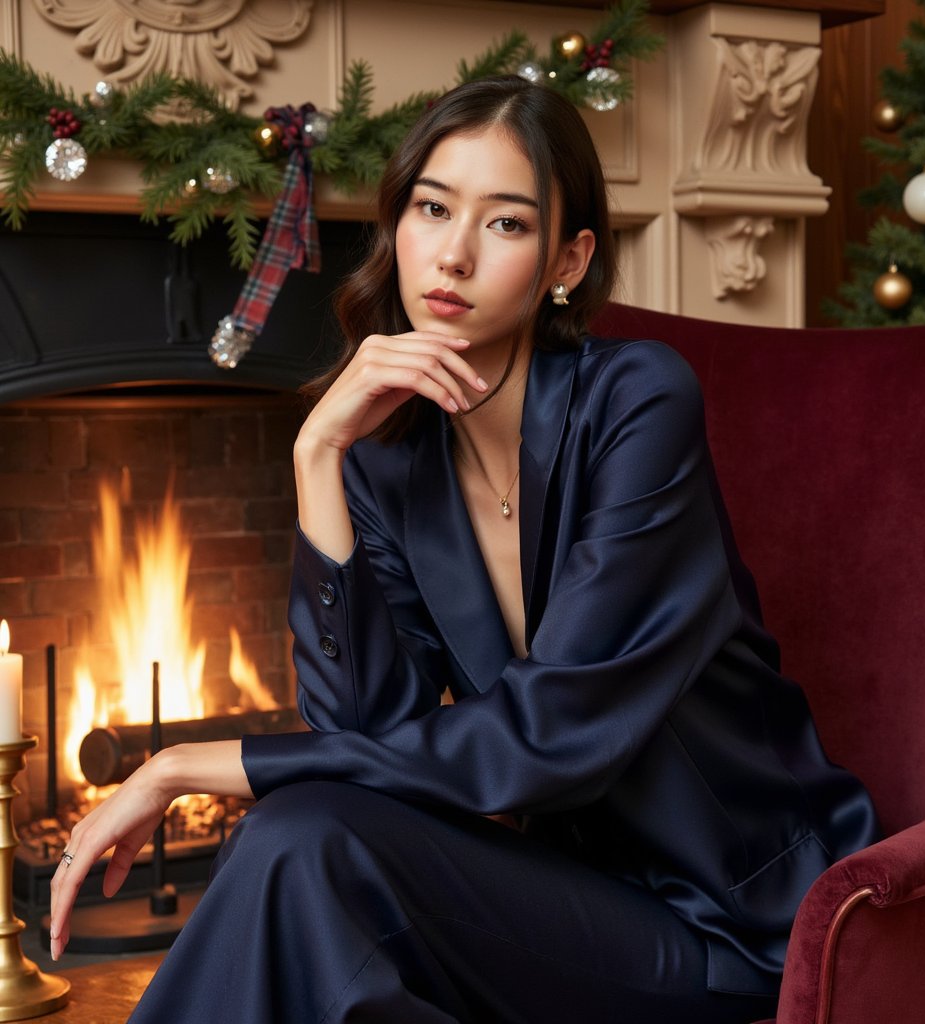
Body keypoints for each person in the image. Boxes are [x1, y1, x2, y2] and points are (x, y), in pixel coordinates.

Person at [49, 75, 878, 1023]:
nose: (452, 253)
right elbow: (362, 726)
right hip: (567, 896)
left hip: (734, 920)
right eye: (432, 208)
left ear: (567, 259)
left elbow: (554, 732)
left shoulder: (640, 402)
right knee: (301, 838)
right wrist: (319, 455)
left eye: (507, 224)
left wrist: (181, 764)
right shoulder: (389, 460)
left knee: (295, 848)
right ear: (397, 226)